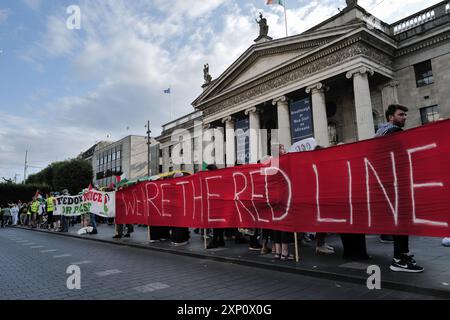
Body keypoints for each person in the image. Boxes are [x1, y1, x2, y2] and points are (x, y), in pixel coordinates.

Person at [375, 104, 423, 273]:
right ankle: (399, 259)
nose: (404, 117)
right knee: (402, 221)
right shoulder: (395, 133)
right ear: (391, 117)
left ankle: (403, 253)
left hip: (389, 183)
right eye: (401, 114)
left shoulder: (381, 134)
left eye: (405, 114)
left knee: (400, 221)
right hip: (397, 183)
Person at [206, 164, 226, 249]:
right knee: (218, 224)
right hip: (216, 203)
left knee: (216, 224)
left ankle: (215, 241)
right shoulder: (217, 178)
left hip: (217, 203)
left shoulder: (215, 179)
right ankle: (220, 240)